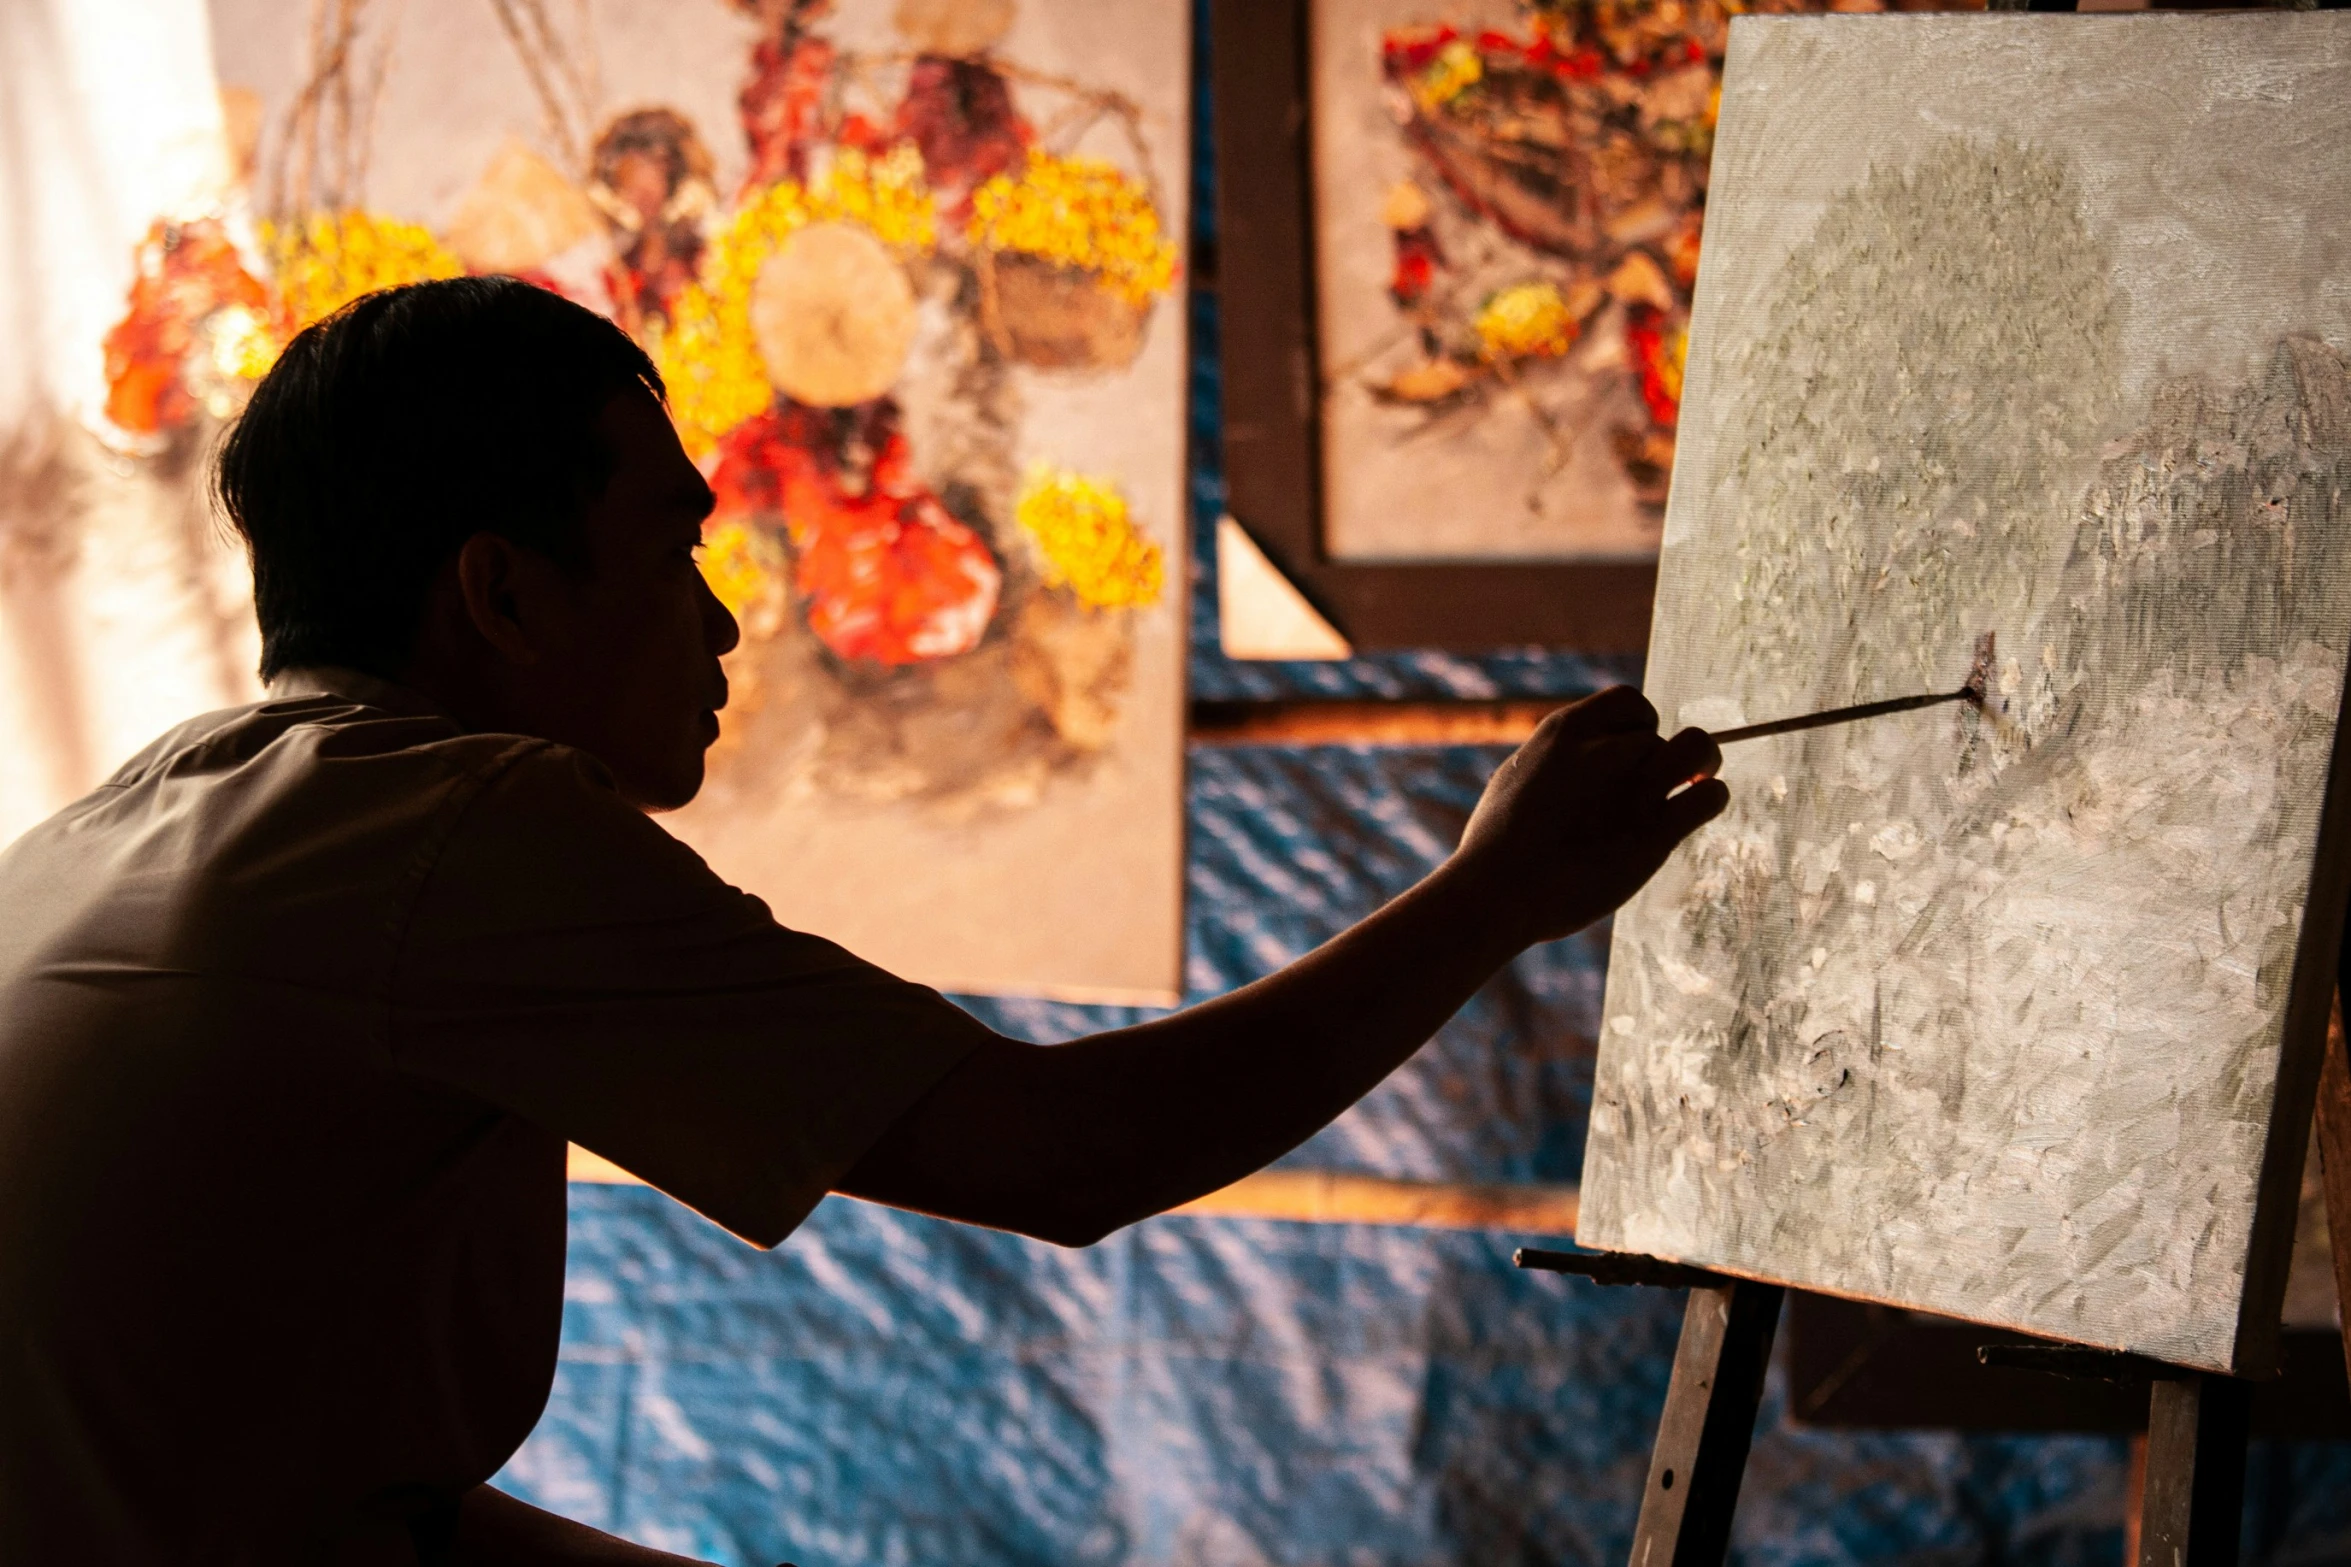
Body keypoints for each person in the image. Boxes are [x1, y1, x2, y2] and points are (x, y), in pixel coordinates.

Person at [0, 277, 1725, 1565]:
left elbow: (346, 1513)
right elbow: (1068, 1155)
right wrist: (1497, 890)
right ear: (504, 592)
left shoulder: (124, 823)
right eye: (675, 548)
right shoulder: (449, 823)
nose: (725, 623)